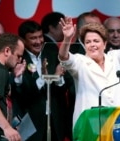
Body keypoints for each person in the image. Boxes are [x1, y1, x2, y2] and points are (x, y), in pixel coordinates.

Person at [58, 7, 120, 131]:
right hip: (92, 125)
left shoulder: (114, 57)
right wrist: (67, 38)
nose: (92, 45)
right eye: (88, 42)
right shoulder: (80, 62)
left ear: (105, 44)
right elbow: (64, 57)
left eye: (96, 41)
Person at [10, 20, 68, 141]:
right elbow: (19, 92)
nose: (38, 41)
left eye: (40, 36)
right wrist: (43, 78)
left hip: (55, 121)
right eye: (33, 38)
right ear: (23, 40)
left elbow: (62, 88)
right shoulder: (18, 59)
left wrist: (58, 77)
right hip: (30, 123)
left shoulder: (52, 52)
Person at [41, 11, 75, 140]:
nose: (64, 31)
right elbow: (50, 79)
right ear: (51, 27)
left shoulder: (52, 47)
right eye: (62, 27)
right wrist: (59, 77)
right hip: (50, 109)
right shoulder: (49, 48)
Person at [0, 33, 24, 141]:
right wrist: (7, 127)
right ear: (7, 51)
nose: (19, 60)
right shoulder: (0, 71)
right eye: (18, 56)